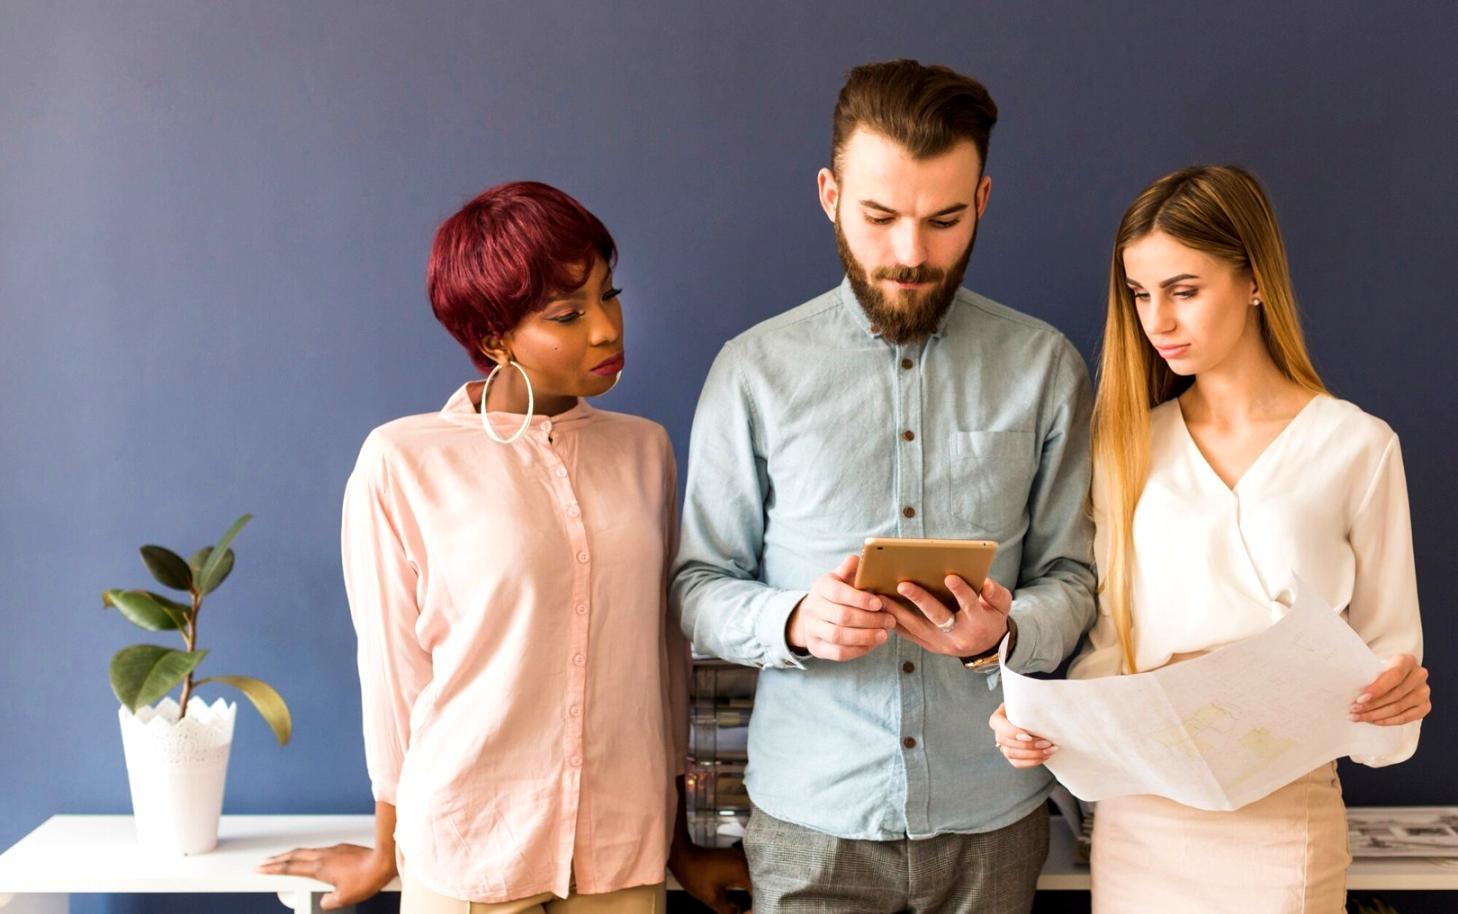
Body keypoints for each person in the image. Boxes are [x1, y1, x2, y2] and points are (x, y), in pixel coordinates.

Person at [671, 60, 1097, 914]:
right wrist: (792, 619)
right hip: (809, 824)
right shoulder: (752, 372)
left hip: (994, 820)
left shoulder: (1046, 366)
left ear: (981, 201)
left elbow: (1077, 580)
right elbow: (697, 587)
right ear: (829, 194)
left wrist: (1003, 633)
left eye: (944, 220)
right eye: (880, 216)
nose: (911, 253)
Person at [257, 181, 748, 913]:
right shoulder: (404, 460)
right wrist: (384, 851)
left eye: (609, 296)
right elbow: (394, 679)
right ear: (493, 338)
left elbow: (666, 660)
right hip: (468, 851)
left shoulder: (645, 451)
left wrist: (683, 842)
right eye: (567, 314)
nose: (608, 329)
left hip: (620, 855)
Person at [990, 164, 1430, 913]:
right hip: (1141, 824)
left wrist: (1397, 697)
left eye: (1183, 290)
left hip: (1286, 822)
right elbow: (1105, 653)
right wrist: (1039, 726)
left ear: (1254, 279)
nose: (1157, 320)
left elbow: (1389, 653)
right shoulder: (1122, 447)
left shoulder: (1358, 446)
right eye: (1140, 294)